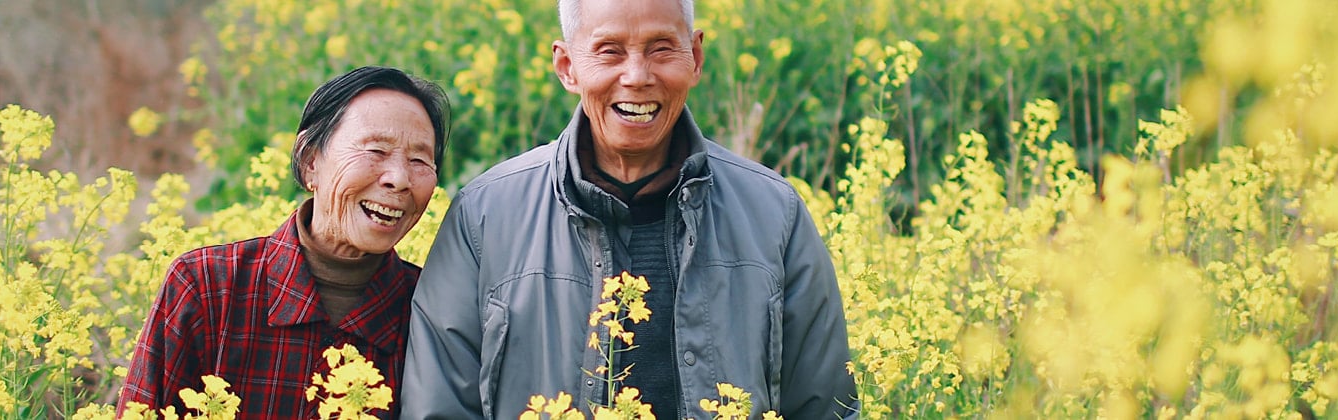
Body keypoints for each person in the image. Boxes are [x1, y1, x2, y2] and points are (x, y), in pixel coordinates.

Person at [400, 0, 859, 418]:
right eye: (609, 51)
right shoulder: (483, 216)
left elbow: (826, 405)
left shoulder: (775, 213)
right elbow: (438, 406)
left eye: (662, 49)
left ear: (695, 57)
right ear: (567, 66)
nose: (637, 76)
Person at [120, 66, 449, 418]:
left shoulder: (431, 314)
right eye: (375, 151)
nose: (399, 179)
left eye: (419, 160)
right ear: (310, 161)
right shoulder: (206, 288)